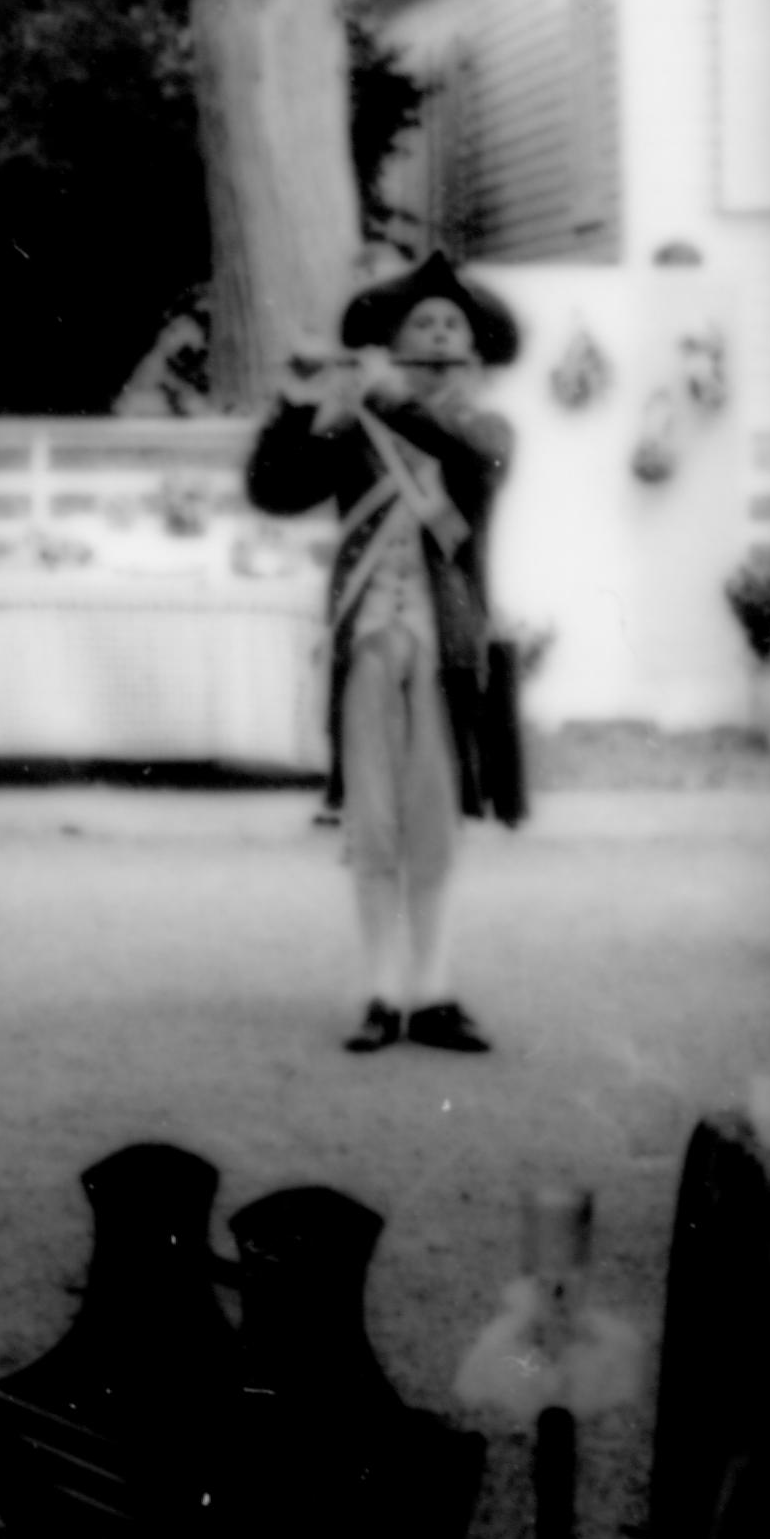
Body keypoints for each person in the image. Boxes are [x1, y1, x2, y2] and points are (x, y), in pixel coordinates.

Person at [244, 251, 523, 1056]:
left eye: (450, 327)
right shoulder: (360, 419)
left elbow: (475, 466)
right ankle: (379, 990)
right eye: (422, 325)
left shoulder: (486, 427)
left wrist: (388, 395)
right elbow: (275, 490)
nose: (437, 336)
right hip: (368, 636)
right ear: (394, 339)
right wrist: (296, 403)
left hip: (446, 646)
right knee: (373, 821)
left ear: (472, 352)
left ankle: (432, 990)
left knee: (433, 824)